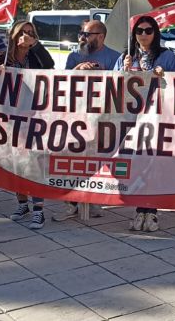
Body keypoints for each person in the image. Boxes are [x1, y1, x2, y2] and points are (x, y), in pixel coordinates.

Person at [115, 15, 175, 232]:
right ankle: (139, 209)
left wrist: (166, 76)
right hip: (131, 118)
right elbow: (112, 85)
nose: (144, 35)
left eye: (148, 30)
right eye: (139, 31)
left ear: (155, 33)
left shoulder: (167, 56)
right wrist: (122, 71)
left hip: (156, 117)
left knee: (152, 162)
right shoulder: (126, 57)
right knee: (135, 163)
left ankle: (151, 211)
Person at [54, 20, 120, 222]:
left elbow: (120, 85)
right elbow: (62, 81)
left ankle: (93, 200)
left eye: (87, 34)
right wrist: (78, 69)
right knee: (74, 160)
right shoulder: (74, 56)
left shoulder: (115, 57)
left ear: (101, 36)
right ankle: (71, 202)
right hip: (76, 117)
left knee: (96, 160)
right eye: (81, 33)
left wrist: (102, 73)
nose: (82, 37)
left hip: (102, 117)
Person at [2, 21, 53, 229]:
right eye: (23, 32)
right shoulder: (4, 57)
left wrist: (35, 45)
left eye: (31, 33)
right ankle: (22, 203)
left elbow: (49, 65)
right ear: (14, 35)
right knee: (16, 162)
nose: (27, 36)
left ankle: (39, 209)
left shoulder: (36, 55)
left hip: (34, 115)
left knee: (34, 162)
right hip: (10, 116)